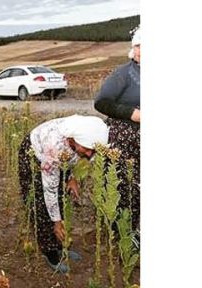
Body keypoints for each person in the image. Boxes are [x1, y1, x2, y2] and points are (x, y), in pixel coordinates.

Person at [17, 115, 109, 273]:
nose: (89, 154)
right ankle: (50, 252)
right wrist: (56, 222)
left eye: (92, 150)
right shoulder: (54, 147)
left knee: (63, 198)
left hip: (60, 155)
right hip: (34, 153)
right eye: (86, 149)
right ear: (73, 139)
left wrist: (72, 177)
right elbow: (49, 189)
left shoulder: (82, 138)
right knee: (40, 203)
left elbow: (81, 157)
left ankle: (60, 246)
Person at [94, 26, 140, 231]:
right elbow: (101, 103)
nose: (141, 50)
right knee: (125, 188)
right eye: (138, 45)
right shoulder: (123, 74)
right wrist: (132, 113)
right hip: (124, 137)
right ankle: (121, 233)